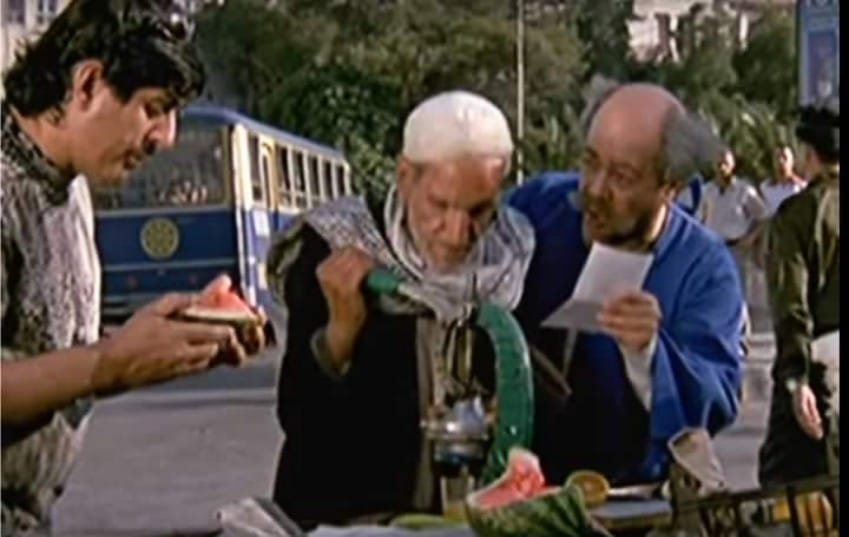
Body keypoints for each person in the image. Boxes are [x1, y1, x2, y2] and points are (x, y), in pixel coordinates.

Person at [0, 1, 261, 533]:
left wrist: (170, 340)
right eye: (153, 108)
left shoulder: (69, 187)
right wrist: (110, 362)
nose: (166, 137)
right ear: (88, 84)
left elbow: (47, 357)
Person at [266, 91, 535, 528]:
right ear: (405, 177)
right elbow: (300, 418)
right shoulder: (334, 246)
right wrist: (341, 332)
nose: (457, 233)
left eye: (480, 210)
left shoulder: (515, 256)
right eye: (440, 205)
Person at [505, 77, 746, 486]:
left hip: (630, 498)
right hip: (518, 486)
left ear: (669, 186)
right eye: (590, 162)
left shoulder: (705, 268)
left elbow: (716, 397)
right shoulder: (539, 206)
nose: (595, 189)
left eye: (622, 176)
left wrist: (648, 354)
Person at [758, 99, 840, 486]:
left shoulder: (798, 214)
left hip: (821, 368)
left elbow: (791, 302)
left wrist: (796, 378)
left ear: (808, 154)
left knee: (787, 486)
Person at [700, 149, 768, 295]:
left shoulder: (744, 190)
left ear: (732, 165)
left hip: (737, 249)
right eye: (718, 163)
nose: (721, 167)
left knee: (738, 293)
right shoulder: (707, 191)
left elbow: (762, 216)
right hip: (713, 249)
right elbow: (700, 219)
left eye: (725, 163)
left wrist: (750, 237)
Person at [759, 145, 806, 217]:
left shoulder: (801, 189)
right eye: (777, 157)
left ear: (792, 161)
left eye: (785, 157)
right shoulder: (765, 187)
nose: (780, 161)